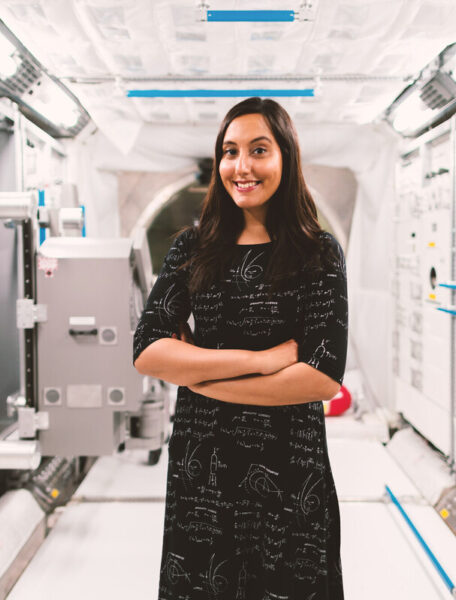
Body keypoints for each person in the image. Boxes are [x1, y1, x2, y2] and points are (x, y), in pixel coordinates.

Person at [133, 96, 348, 599]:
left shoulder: (318, 251)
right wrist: (263, 361)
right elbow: (147, 350)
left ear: (286, 159)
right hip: (201, 470)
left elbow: (320, 378)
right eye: (230, 152)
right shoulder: (193, 247)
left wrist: (198, 374)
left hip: (289, 470)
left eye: (258, 150)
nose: (241, 166)